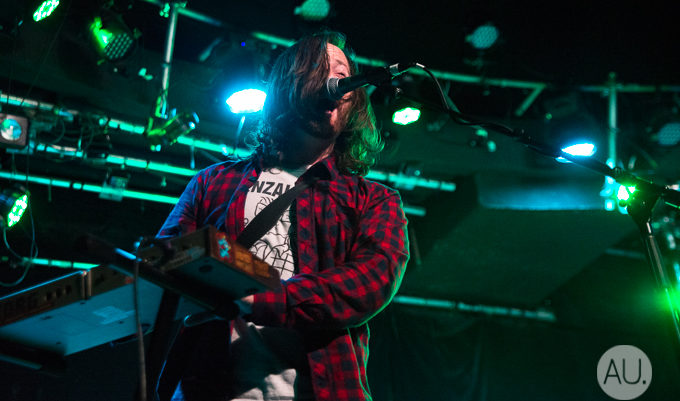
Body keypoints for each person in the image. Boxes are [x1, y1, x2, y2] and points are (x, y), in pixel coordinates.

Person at [157, 30, 409, 401]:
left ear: (354, 99)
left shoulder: (374, 200)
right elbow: (165, 262)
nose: (334, 81)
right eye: (318, 69)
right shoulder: (213, 182)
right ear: (287, 85)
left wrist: (266, 300)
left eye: (342, 73)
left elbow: (371, 281)